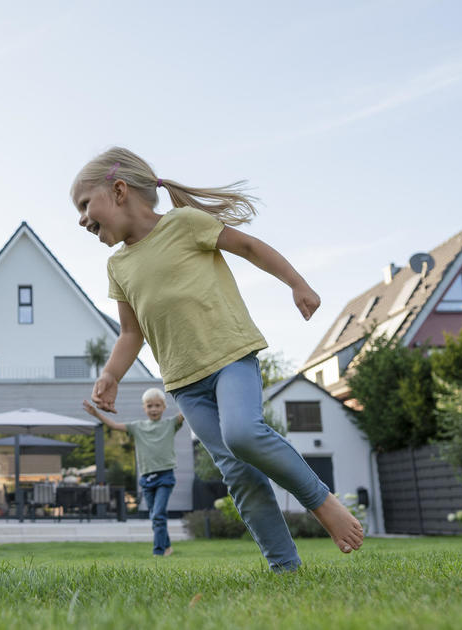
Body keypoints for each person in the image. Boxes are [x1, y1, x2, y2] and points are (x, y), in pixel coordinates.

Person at [70, 147, 363, 573]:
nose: (81, 219)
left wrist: (296, 283)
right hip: (184, 384)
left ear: (118, 190)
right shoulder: (118, 266)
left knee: (242, 433)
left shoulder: (185, 224)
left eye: (84, 204)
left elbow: (248, 246)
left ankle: (321, 502)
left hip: (230, 357)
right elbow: (131, 332)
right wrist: (111, 374)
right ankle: (286, 569)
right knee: (238, 473)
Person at [83, 388, 184, 557]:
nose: (154, 409)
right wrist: (96, 414)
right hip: (146, 478)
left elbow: (186, 412)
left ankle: (158, 552)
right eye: (150, 406)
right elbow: (114, 425)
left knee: (158, 514)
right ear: (144, 408)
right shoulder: (137, 427)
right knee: (155, 516)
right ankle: (167, 546)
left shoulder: (170, 424)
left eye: (157, 405)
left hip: (165, 476)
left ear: (164, 407)